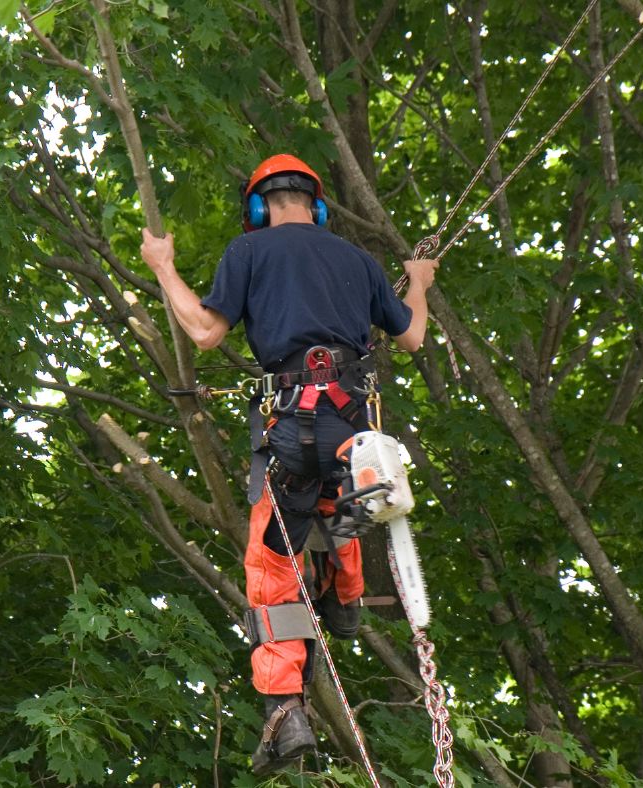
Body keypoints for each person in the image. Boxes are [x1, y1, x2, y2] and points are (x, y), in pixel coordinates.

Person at [140, 154, 438, 775]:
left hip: (293, 431)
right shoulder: (359, 262)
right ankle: (344, 602)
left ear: (258, 208)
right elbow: (410, 337)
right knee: (340, 506)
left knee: (272, 558)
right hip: (355, 429)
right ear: (317, 203)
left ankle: (284, 708)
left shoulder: (247, 255)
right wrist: (419, 281)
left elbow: (204, 332)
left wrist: (164, 268)